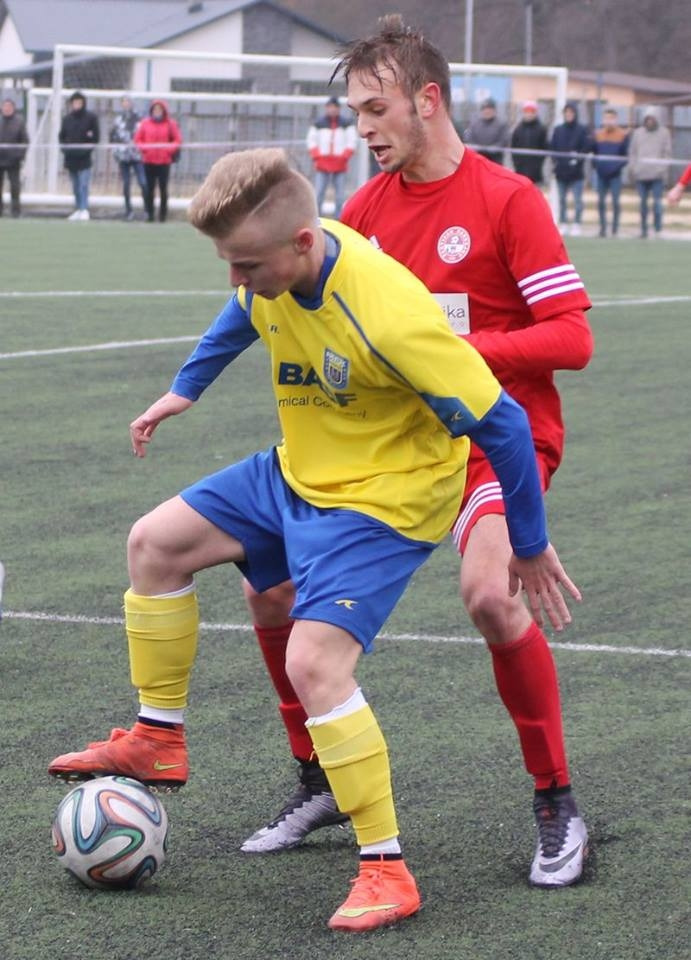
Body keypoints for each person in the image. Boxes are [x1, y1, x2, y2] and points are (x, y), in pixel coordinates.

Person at [48, 147, 581, 931]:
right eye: (228, 262)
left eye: (246, 265)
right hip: (299, 470)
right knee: (154, 544)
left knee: (314, 661)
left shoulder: (388, 313)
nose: (236, 279)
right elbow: (243, 313)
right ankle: (158, 738)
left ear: (301, 244)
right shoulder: (276, 267)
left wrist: (527, 544)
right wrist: (184, 389)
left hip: (383, 499)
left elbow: (501, 425)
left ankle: (386, 869)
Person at [238, 15, 593, 891]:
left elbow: (572, 337)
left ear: (427, 101)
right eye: (356, 112)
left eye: (375, 109)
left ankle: (555, 799)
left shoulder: (508, 200)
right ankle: (318, 779)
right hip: (388, 450)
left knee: (488, 594)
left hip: (493, 440)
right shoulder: (363, 211)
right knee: (267, 580)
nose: (361, 128)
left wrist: (455, 357)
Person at [306, 95, 356, 218]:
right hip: (322, 164)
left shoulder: (346, 124)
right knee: (319, 194)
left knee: (340, 196)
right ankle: (317, 218)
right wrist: (317, 157)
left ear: (339, 109)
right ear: (326, 108)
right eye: (330, 107)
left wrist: (344, 156)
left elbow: (352, 141)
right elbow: (311, 141)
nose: (332, 109)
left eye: (335, 107)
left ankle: (338, 218)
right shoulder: (318, 123)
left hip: (340, 164)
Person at [134, 99, 182, 223]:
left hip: (164, 161)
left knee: (163, 189)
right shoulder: (145, 123)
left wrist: (168, 150)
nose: (157, 111)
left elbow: (177, 140)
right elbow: (138, 139)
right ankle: (149, 214)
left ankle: (162, 215)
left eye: (159, 109)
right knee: (149, 189)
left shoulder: (170, 124)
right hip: (148, 161)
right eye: (155, 109)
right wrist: (145, 150)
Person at [549, 101, 592, 236]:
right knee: (562, 200)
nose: (569, 115)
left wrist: (576, 160)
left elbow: (586, 148)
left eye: (571, 112)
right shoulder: (558, 130)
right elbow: (553, 148)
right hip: (561, 172)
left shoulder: (582, 130)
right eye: (566, 112)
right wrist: (557, 162)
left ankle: (577, 224)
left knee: (577, 200)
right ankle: (563, 223)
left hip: (576, 173)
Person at [628, 110, 672, 237]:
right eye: (648, 119)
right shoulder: (638, 133)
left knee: (657, 203)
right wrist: (634, 168)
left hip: (657, 176)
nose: (650, 121)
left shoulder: (664, 133)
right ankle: (643, 229)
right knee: (642, 203)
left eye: (652, 119)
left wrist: (661, 169)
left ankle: (658, 229)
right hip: (641, 174)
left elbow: (667, 153)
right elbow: (633, 152)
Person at [58, 91, 100, 221]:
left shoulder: (91, 118)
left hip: (84, 158)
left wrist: (86, 150)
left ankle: (84, 209)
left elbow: (95, 138)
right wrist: (66, 150)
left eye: (79, 102)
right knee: (75, 185)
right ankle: (78, 209)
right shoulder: (67, 119)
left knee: (83, 184)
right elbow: (61, 137)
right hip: (71, 158)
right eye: (75, 102)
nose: (77, 105)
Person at [592, 108, 628, 237]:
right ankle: (602, 228)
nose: (609, 121)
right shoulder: (598, 135)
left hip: (615, 175)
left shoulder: (622, 135)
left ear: (616, 119)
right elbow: (594, 153)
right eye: (606, 118)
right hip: (601, 174)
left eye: (611, 118)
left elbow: (625, 156)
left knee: (615, 202)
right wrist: (597, 166)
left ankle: (614, 229)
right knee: (601, 202)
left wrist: (615, 168)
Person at [110, 96, 147, 221]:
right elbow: (113, 137)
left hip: (137, 156)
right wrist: (116, 152)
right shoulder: (118, 119)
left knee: (143, 183)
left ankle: (147, 210)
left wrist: (142, 150)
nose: (126, 104)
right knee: (126, 184)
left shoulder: (140, 118)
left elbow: (144, 135)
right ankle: (128, 211)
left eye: (128, 101)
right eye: (124, 102)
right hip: (123, 156)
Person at [0, 96, 29, 218]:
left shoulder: (19, 122)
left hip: (13, 161)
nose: (6, 109)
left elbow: (25, 141)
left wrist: (19, 156)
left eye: (9, 106)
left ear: (13, 108)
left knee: (15, 187)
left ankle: (16, 211)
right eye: (4, 106)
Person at [510, 100, 548, 185]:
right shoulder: (518, 129)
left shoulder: (541, 129)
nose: (529, 114)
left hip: (536, 171)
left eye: (532, 112)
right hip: (520, 169)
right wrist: (517, 163)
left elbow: (544, 147)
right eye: (527, 112)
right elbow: (513, 147)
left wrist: (538, 164)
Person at [463, 97, 508, 165]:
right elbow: (469, 138)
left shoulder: (501, 124)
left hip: (495, 160)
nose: (487, 111)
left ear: (494, 110)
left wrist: (493, 148)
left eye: (490, 109)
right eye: (485, 109)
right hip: (478, 159)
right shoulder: (475, 124)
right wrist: (477, 148)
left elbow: (504, 140)